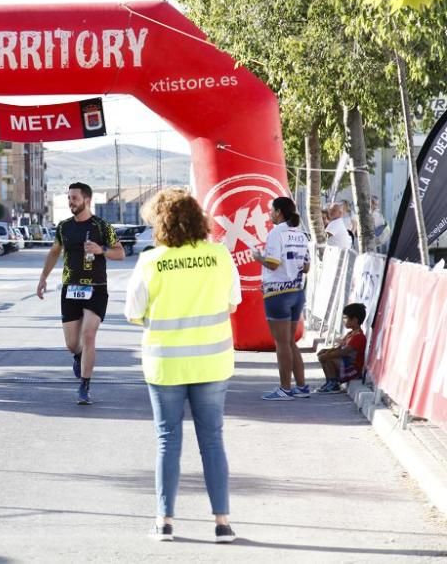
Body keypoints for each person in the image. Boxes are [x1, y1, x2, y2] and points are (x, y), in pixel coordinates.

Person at [123, 187, 240, 543]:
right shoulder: (219, 255)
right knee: (213, 440)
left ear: (160, 224)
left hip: (166, 365)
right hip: (211, 362)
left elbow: (132, 313)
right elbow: (233, 302)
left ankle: (164, 521)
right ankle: (222, 522)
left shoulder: (151, 261)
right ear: (198, 219)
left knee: (167, 440)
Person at [36, 182, 125, 405]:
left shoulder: (103, 226)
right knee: (72, 344)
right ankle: (78, 356)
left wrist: (101, 249)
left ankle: (84, 385)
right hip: (71, 287)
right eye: (69, 198)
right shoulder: (64, 227)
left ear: (87, 199)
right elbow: (55, 252)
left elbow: (120, 253)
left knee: (89, 335)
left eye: (74, 198)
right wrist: (43, 278)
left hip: (96, 288)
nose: (70, 202)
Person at [251, 197, 312, 400]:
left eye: (271, 211)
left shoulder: (276, 233)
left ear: (278, 212)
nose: (269, 214)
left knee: (282, 343)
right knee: (290, 341)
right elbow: (307, 267)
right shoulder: (301, 233)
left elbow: (273, 263)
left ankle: (285, 388)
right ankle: (302, 387)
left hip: (278, 294)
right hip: (296, 291)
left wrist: (258, 257)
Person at [315, 302, 367, 393]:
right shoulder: (350, 334)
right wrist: (326, 351)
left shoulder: (359, 337)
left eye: (345, 318)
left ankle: (334, 384)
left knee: (328, 358)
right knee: (324, 355)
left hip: (354, 370)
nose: (343, 320)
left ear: (354, 320)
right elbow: (339, 348)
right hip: (346, 365)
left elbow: (344, 352)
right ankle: (330, 381)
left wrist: (328, 355)